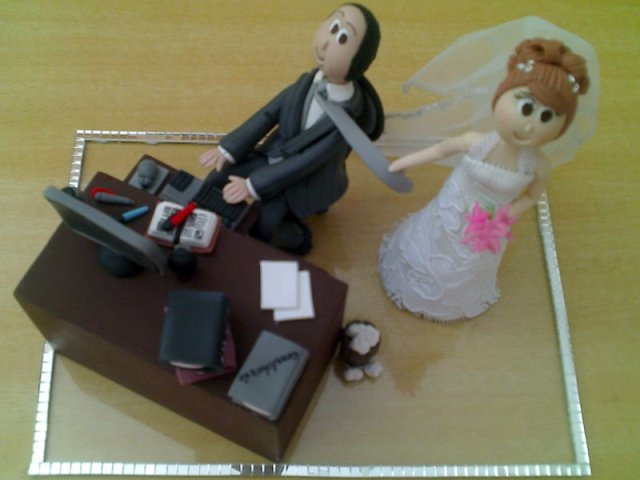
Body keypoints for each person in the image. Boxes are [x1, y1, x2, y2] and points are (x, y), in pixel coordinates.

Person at [378, 38, 590, 322]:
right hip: (451, 207)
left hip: (487, 227)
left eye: (547, 117)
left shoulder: (537, 165)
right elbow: (439, 150)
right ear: (501, 95)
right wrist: (402, 163)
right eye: (526, 108)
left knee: (467, 263)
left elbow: (532, 195)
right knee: (432, 241)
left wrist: (507, 214)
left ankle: (451, 298)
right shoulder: (476, 143)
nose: (529, 125)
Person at [199, 4, 383, 254]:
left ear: (360, 59)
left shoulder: (346, 119)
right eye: (332, 27)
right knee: (216, 178)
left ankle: (297, 239)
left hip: (306, 180)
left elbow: (306, 162)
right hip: (273, 156)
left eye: (342, 38)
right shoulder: (307, 82)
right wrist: (229, 149)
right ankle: (216, 224)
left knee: (263, 223)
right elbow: (267, 114)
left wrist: (253, 185)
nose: (325, 44)